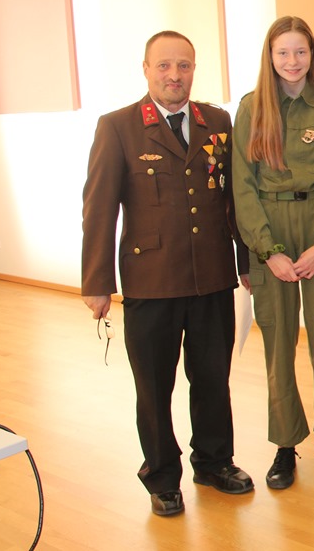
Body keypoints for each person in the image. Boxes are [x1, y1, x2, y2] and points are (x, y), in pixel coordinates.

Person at [81, 30, 253, 517]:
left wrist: (245, 262)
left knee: (213, 378)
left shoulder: (216, 122)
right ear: (146, 69)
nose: (174, 75)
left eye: (184, 66)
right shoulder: (118, 127)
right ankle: (161, 477)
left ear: (194, 70)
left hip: (211, 277)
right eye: (164, 66)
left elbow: (233, 198)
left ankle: (214, 462)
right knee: (155, 388)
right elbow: (99, 209)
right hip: (151, 281)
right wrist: (97, 283)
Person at [231, 16, 314, 489]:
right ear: (270, 56)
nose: (292, 61)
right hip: (271, 226)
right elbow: (243, 187)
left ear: (312, 53)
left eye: (300, 51)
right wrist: (268, 251)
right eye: (282, 52)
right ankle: (285, 444)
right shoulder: (252, 107)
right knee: (278, 345)